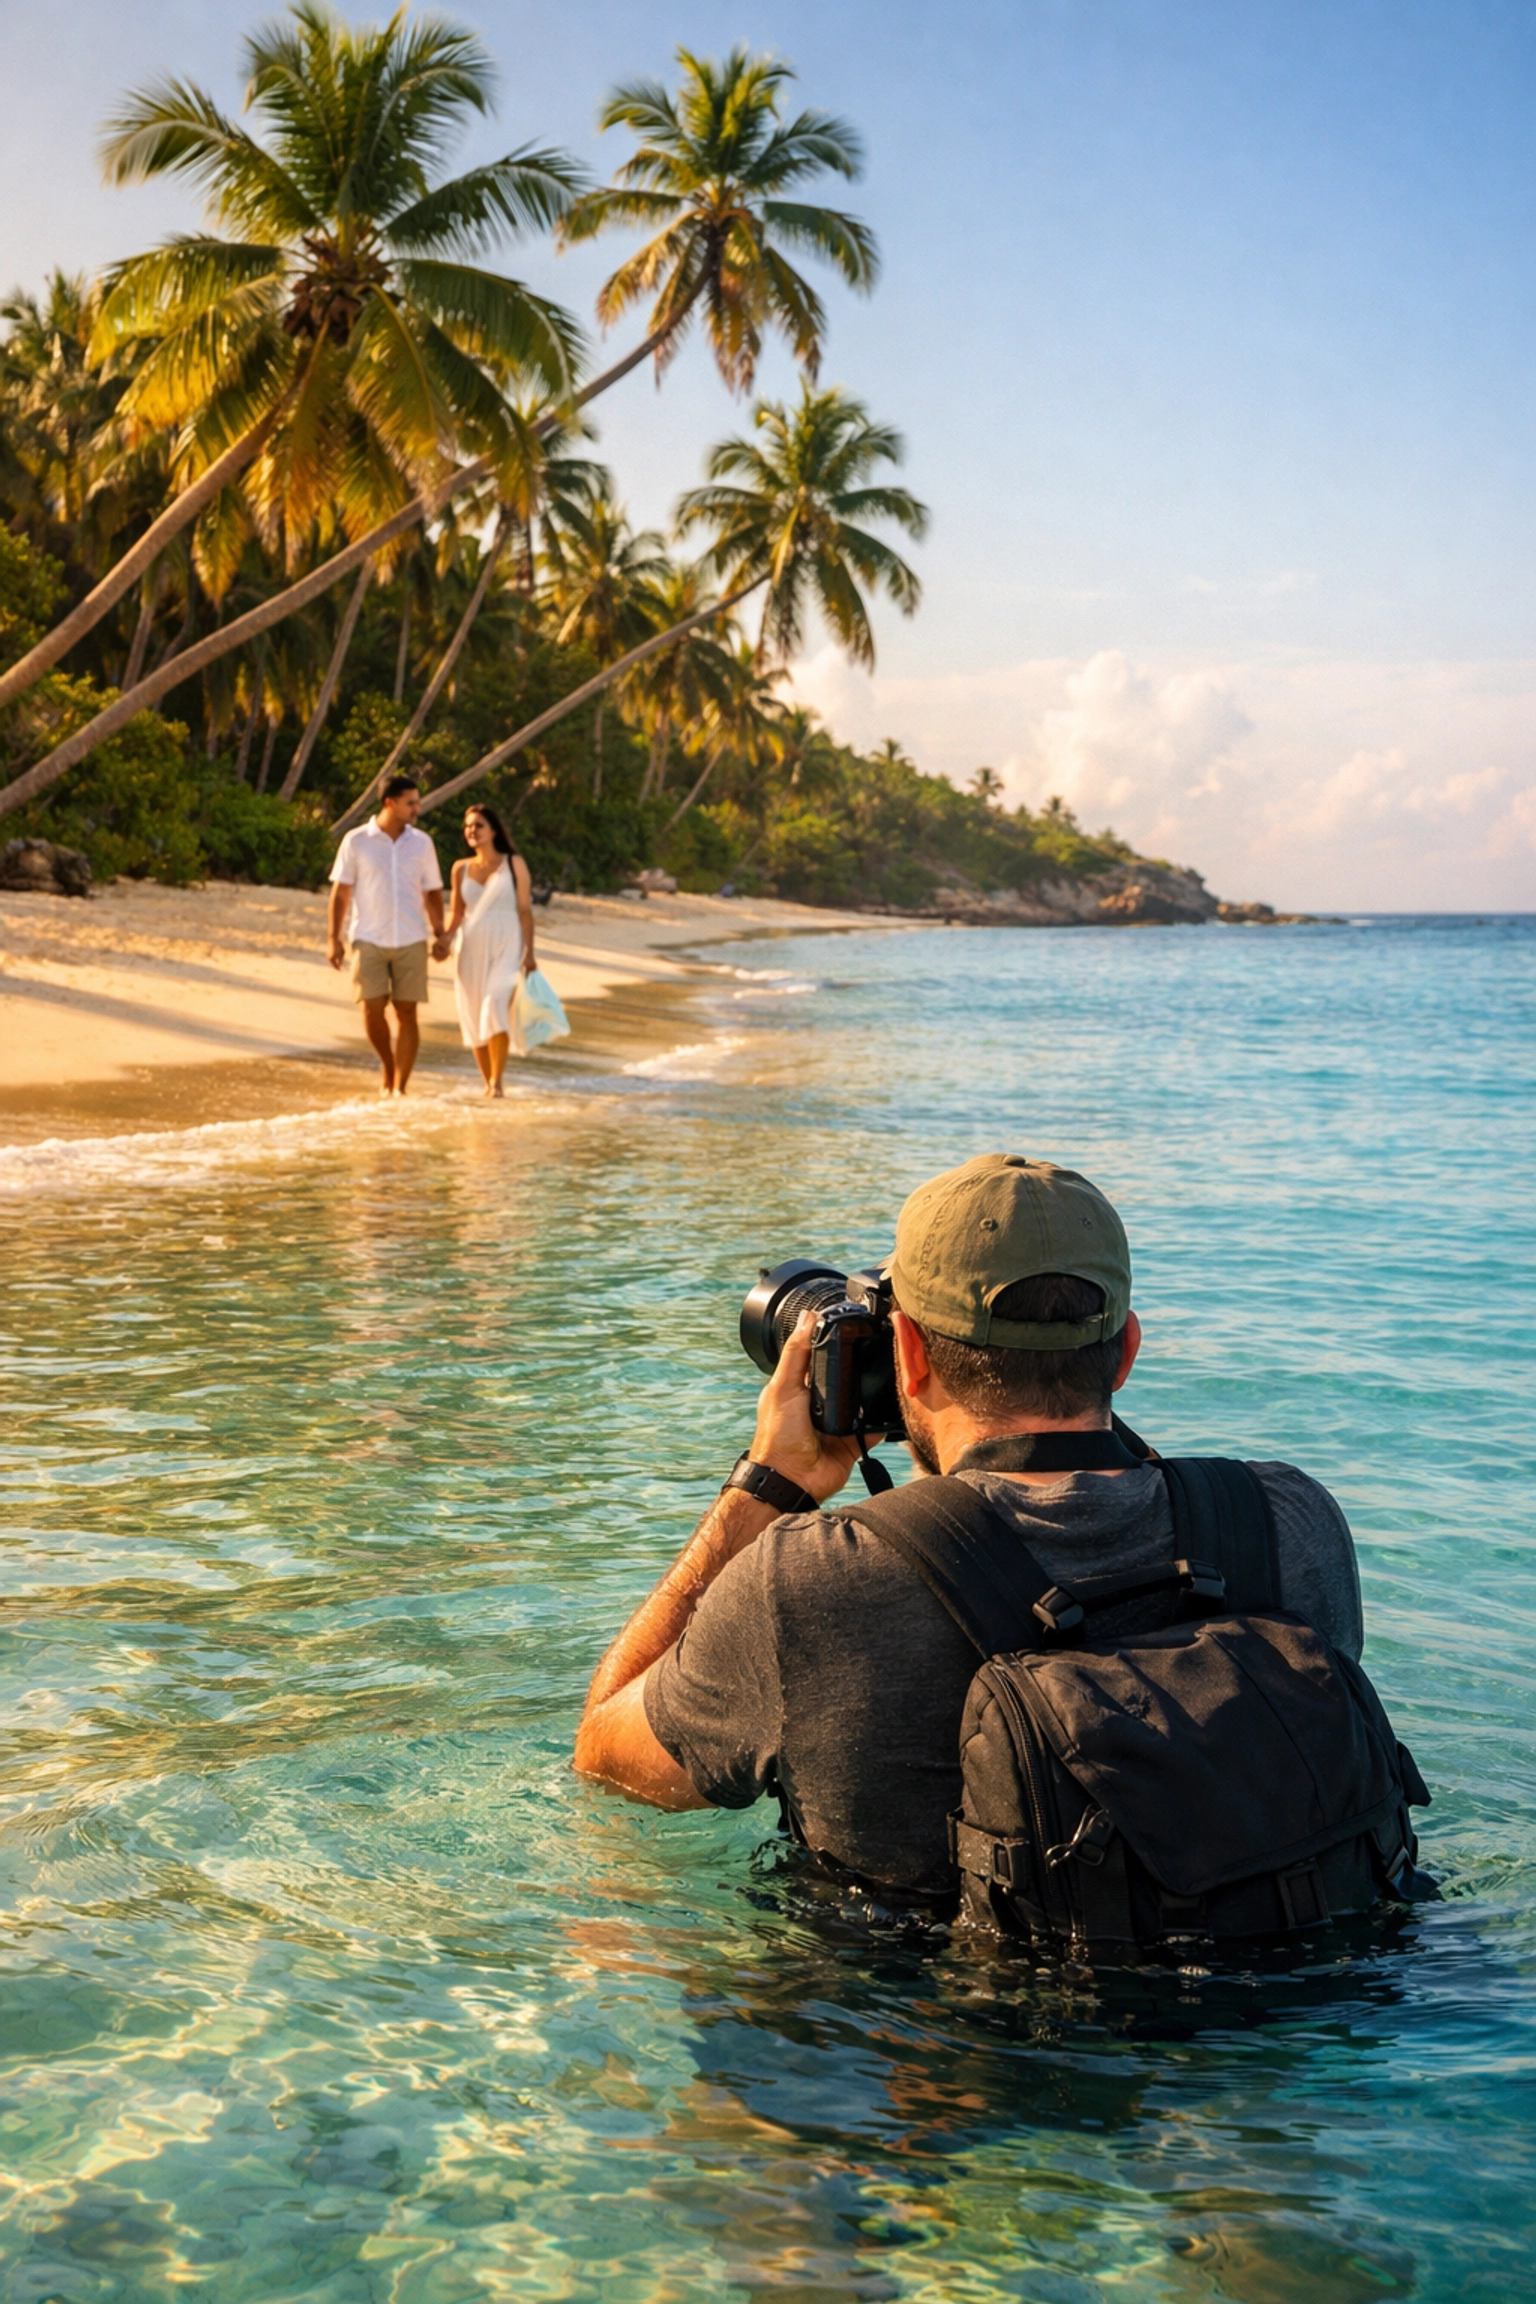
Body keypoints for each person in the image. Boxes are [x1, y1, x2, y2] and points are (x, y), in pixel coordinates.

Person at [574, 1153, 1365, 1899]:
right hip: (1269, 2020)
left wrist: (767, 1486)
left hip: (912, 2039)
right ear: (1124, 1352)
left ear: (907, 1352)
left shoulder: (813, 1581)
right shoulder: (1289, 1524)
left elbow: (605, 1763)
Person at [328, 774, 446, 1096]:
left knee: (408, 1012)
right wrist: (333, 938)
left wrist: (441, 933)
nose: (417, 808)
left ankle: (400, 1087)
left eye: (417, 801)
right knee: (371, 1006)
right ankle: (388, 1065)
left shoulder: (422, 843)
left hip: (411, 938)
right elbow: (341, 893)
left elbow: (433, 892)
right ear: (389, 802)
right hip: (368, 936)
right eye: (411, 802)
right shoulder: (356, 841)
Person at [436, 803, 536, 1097]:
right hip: (470, 945)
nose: (472, 831)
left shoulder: (513, 863)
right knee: (471, 1014)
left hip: (507, 942)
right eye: (468, 826)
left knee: (493, 1006)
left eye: (478, 825)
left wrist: (529, 953)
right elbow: (456, 913)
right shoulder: (460, 868)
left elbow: (525, 910)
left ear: (493, 830)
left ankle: (497, 1081)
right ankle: (487, 1081)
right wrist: (444, 940)